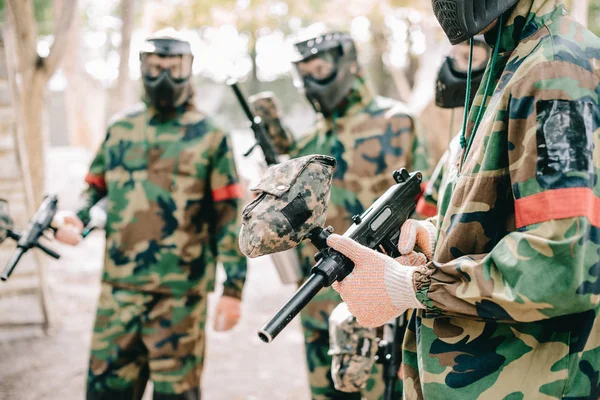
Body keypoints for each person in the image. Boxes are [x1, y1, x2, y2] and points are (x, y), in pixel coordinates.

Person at [325, 0, 600, 399]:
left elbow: (564, 261)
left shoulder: (554, 68)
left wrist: (412, 286)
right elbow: (513, 211)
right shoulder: (513, 60)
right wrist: (436, 236)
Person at [55, 29, 248, 400]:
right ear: (141, 67)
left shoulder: (211, 135)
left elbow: (228, 217)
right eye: (155, 67)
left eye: (174, 68)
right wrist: (75, 216)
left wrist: (233, 290)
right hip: (119, 295)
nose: (164, 77)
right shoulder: (121, 128)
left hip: (180, 300)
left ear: (189, 70)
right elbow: (94, 187)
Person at [251, 31, 430, 399]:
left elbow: (428, 207)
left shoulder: (397, 122)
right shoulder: (308, 142)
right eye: (304, 73)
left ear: (346, 63)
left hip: (380, 303)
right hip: (316, 301)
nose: (311, 81)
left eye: (319, 69)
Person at [416, 36, 490, 218]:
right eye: (455, 57)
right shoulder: (458, 141)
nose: (457, 67)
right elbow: (429, 213)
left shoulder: (501, 130)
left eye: (468, 58)